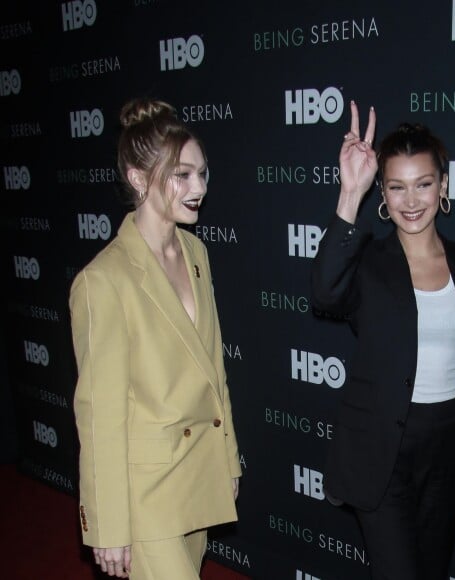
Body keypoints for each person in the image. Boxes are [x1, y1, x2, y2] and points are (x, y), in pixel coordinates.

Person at [311, 101, 455, 579]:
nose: (411, 200)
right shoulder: (368, 262)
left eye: (423, 183)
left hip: (449, 451)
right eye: (396, 186)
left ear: (443, 185)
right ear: (382, 192)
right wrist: (349, 192)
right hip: (382, 454)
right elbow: (323, 293)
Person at [69, 98, 242, 579]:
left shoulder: (196, 252)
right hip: (146, 494)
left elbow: (214, 367)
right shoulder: (103, 281)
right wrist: (107, 524)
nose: (200, 188)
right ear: (139, 179)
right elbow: (100, 414)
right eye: (182, 175)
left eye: (203, 174)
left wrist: (227, 456)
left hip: (196, 472)